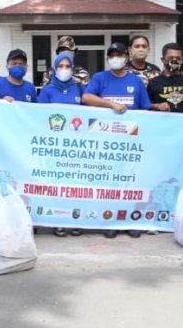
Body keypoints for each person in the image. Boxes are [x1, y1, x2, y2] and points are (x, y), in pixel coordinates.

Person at [83, 42, 151, 238]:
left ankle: (131, 220)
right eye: (111, 55)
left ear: (126, 57)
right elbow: (86, 97)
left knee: (131, 181)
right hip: (107, 143)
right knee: (111, 182)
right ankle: (110, 219)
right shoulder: (100, 78)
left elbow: (145, 108)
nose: (115, 58)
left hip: (131, 143)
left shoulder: (136, 81)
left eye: (119, 55)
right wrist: (110, 104)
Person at [38, 51, 85, 237]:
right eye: (60, 66)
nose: (64, 70)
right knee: (57, 184)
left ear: (73, 69)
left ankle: (76, 219)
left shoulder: (80, 89)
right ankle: (58, 220)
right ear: (54, 69)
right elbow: (39, 117)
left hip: (77, 146)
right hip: (55, 147)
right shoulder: (47, 91)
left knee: (76, 184)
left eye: (68, 66)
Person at [148, 43, 183, 114]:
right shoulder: (153, 82)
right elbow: (146, 105)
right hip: (162, 122)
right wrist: (158, 106)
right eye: (171, 58)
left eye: (178, 58)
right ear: (163, 59)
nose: (174, 61)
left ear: (182, 60)